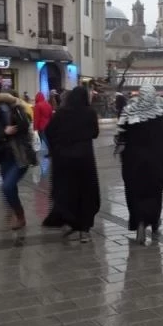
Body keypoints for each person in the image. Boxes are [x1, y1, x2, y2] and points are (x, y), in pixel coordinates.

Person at [42, 87, 100, 242]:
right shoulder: (90, 112)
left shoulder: (61, 113)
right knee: (86, 192)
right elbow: (95, 133)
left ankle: (71, 222)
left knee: (67, 191)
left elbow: (48, 131)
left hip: (64, 159)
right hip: (85, 159)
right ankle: (85, 230)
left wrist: (56, 148)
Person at [117, 84, 163, 244]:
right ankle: (154, 222)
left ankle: (139, 222)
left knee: (135, 191)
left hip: (133, 161)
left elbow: (120, 135)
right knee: (154, 192)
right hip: (155, 160)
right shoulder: (159, 113)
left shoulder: (128, 111)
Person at [0, 93, 34, 231]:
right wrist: (5, 132)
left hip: (20, 157)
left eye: (6, 104)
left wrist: (17, 109)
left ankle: (20, 215)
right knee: (10, 188)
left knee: (7, 187)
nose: (3, 107)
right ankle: (16, 214)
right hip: (5, 158)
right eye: (0, 105)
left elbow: (24, 126)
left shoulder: (19, 114)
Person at [32, 92, 53, 156]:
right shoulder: (48, 104)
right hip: (49, 125)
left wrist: (35, 128)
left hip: (41, 125)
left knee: (41, 139)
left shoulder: (37, 105)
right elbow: (51, 116)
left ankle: (35, 153)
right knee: (47, 139)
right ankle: (51, 151)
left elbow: (36, 118)